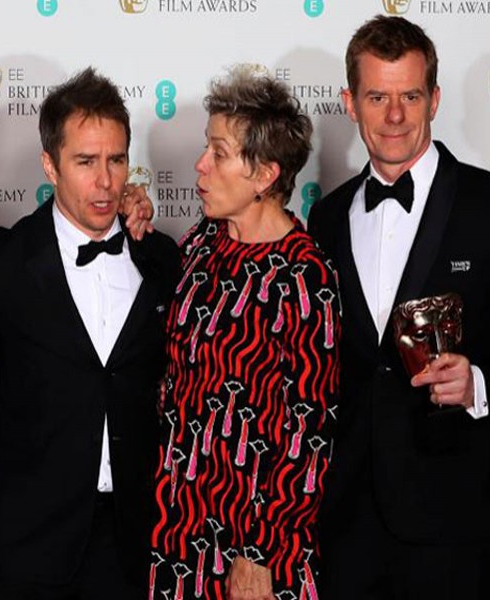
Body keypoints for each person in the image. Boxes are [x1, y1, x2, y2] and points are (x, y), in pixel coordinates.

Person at [307, 15, 490, 600]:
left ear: (434, 98)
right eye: (378, 96)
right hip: (347, 523)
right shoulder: (325, 218)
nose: (395, 115)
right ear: (351, 102)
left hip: (455, 528)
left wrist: (480, 382)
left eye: (409, 96)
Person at [0, 67, 180, 599]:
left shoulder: (162, 257)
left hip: (137, 541)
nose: (105, 181)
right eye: (85, 162)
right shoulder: (5, 260)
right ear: (50, 165)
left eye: (116, 160)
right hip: (32, 547)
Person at [149, 69, 340, 600]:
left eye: (219, 152)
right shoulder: (202, 242)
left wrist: (260, 553)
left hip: (255, 539)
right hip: (178, 523)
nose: (200, 166)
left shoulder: (305, 274)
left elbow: (309, 431)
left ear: (264, 174)